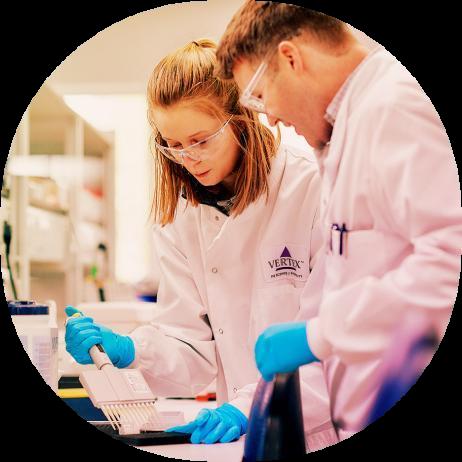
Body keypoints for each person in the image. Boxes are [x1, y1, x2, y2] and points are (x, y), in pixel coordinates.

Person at [65, 39, 339, 449]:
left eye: (200, 139)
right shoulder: (178, 216)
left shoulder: (311, 187)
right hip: (235, 438)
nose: (187, 158)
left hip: (319, 428)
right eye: (172, 145)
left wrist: (247, 408)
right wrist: (129, 349)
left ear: (241, 118)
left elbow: (334, 340)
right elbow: (191, 349)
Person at [215, 1, 461, 440]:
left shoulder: (394, 106)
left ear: (291, 58)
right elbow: (347, 278)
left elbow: (449, 266)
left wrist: (319, 335)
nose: (268, 116)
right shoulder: (344, 129)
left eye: (259, 94)